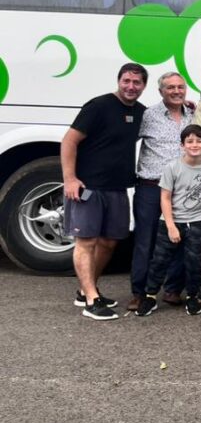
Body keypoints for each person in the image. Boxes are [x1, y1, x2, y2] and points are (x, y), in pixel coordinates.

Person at [62, 63, 148, 319]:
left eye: (137, 82)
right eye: (127, 81)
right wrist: (70, 179)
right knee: (86, 240)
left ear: (143, 86)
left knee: (110, 242)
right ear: (119, 80)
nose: (131, 87)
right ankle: (91, 299)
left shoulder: (142, 112)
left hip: (118, 187)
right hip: (88, 186)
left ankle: (84, 290)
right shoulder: (98, 106)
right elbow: (69, 141)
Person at [129, 71, 195, 312]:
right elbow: (125, 140)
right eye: (170, 88)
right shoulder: (148, 115)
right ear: (160, 92)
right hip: (151, 187)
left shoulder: (193, 114)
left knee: (178, 239)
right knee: (145, 240)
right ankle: (139, 292)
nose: (176, 91)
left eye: (180, 87)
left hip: (182, 189)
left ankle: (173, 289)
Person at [136, 125, 201, 317]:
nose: (194, 145)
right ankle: (150, 296)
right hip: (171, 220)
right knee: (160, 260)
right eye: (189, 141)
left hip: (197, 220)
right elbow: (165, 198)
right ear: (182, 145)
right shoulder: (173, 167)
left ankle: (192, 297)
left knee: (193, 262)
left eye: (199, 141)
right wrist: (171, 226)